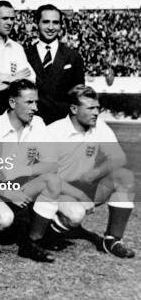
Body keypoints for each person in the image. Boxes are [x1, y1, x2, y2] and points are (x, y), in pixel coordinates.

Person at [0, 79, 73, 263]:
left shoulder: (39, 124)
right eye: (29, 102)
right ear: (12, 103)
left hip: (20, 186)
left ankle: (31, 243)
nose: (35, 107)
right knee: (4, 219)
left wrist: (22, 169)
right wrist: (8, 192)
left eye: (36, 102)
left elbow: (52, 164)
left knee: (52, 180)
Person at [47, 85, 135, 258]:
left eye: (97, 108)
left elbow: (119, 158)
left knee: (124, 177)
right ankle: (48, 233)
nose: (96, 113)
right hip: (56, 191)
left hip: (83, 187)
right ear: (73, 109)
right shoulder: (54, 132)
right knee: (75, 215)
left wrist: (95, 173)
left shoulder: (99, 127)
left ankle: (111, 240)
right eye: (90, 108)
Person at [24, 4, 84, 124]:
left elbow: (79, 97)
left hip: (63, 126)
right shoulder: (24, 55)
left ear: (61, 25)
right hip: (32, 125)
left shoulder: (73, 57)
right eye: (46, 22)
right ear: (37, 24)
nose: (51, 27)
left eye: (55, 22)